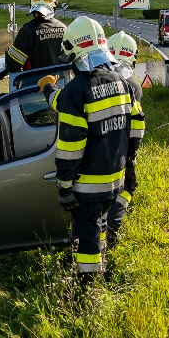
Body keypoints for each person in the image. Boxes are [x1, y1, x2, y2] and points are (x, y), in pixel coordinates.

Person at [38, 16, 141, 282]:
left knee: (87, 236)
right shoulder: (121, 82)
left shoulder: (77, 90)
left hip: (88, 184)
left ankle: (88, 286)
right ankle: (99, 268)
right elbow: (136, 124)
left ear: (74, 53)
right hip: (114, 178)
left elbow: (70, 147)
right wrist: (129, 159)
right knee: (99, 226)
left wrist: (64, 185)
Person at [104, 31, 146, 242]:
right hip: (121, 148)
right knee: (128, 185)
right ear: (133, 56)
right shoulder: (134, 86)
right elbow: (136, 123)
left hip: (98, 145)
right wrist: (132, 153)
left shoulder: (98, 80)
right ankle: (111, 226)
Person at [5, 0, 68, 72]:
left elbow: (12, 65)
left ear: (32, 3)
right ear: (55, 4)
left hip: (36, 80)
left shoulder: (27, 32)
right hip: (63, 80)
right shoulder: (64, 29)